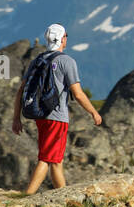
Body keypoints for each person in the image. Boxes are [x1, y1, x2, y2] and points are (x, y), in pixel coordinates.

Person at [11, 23, 101, 194]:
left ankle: (64, 197)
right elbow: (78, 94)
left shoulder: (37, 60)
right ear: (61, 39)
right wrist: (94, 112)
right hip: (57, 117)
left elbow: (21, 91)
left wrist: (16, 118)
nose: (67, 38)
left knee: (55, 160)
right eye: (66, 35)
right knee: (46, 158)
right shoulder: (66, 61)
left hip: (40, 115)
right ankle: (27, 196)